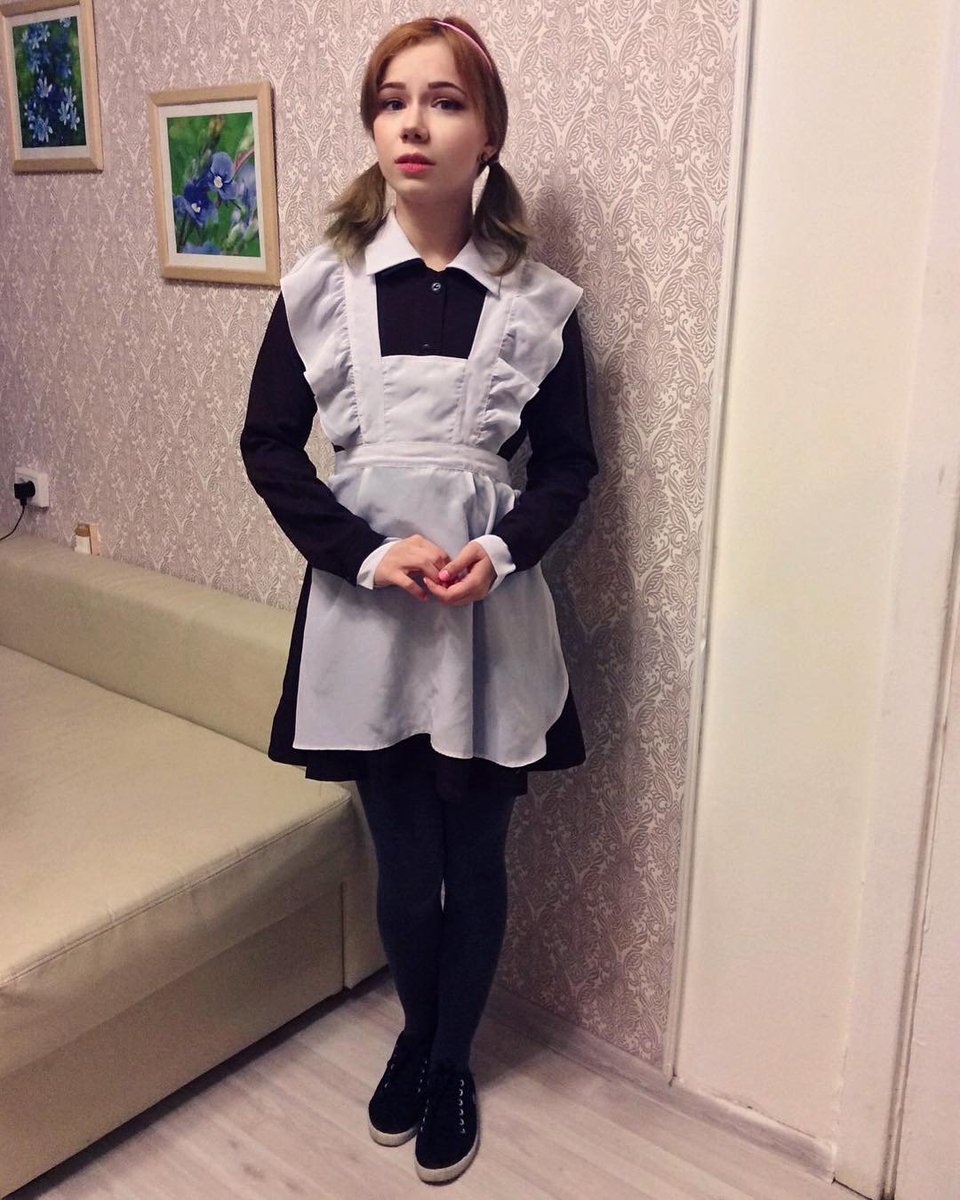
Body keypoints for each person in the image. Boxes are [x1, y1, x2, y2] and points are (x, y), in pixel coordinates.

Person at [240, 14, 598, 1185]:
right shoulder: (321, 291)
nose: (414, 122)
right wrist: (361, 552)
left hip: (492, 615)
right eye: (394, 99)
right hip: (366, 616)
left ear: (487, 133)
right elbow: (270, 447)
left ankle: (450, 1063)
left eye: (445, 101)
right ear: (372, 122)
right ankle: (414, 1034)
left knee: (476, 855)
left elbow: (569, 469)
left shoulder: (539, 303)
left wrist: (497, 551)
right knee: (401, 857)